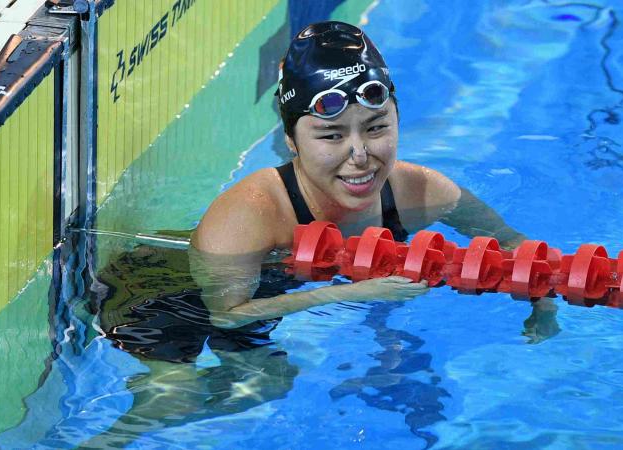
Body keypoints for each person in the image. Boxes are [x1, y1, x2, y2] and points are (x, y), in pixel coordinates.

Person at [191, 21, 526, 329]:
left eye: (376, 127)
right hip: (174, 306)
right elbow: (225, 315)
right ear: (291, 140)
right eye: (332, 135)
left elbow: (512, 244)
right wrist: (350, 293)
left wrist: (542, 301)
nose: (361, 156)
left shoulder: (424, 191)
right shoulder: (248, 215)